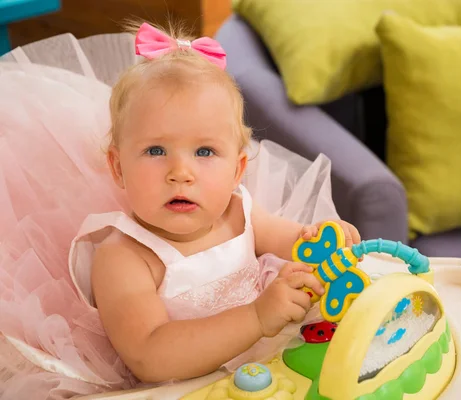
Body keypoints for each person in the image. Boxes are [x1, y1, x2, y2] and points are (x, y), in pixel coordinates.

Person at [0, 19, 359, 399]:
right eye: (156, 151)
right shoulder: (125, 256)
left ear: (237, 169)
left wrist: (323, 239)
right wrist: (256, 317)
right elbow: (150, 353)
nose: (180, 173)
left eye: (204, 152)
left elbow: (296, 242)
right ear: (119, 167)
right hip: (186, 389)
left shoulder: (240, 213)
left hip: (270, 366)